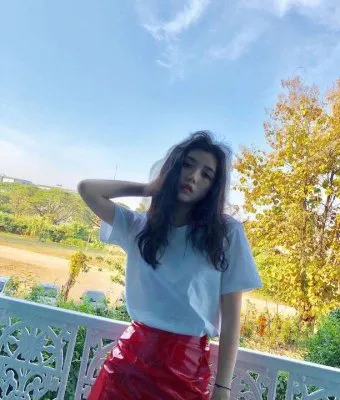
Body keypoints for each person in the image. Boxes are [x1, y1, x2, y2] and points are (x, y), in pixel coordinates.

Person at [78, 131, 262, 400]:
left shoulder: (226, 234)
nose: (193, 177)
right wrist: (149, 188)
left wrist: (223, 388)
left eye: (206, 175)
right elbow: (87, 189)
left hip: (186, 373)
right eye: (187, 165)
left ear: (213, 187)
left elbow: (232, 318)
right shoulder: (140, 226)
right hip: (127, 366)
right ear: (173, 168)